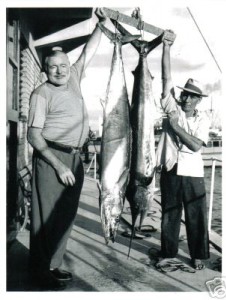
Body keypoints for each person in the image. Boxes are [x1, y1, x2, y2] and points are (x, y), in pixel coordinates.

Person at [27, 8, 106, 288]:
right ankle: (39, 272)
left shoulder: (72, 77)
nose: (59, 71)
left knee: (65, 217)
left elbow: (87, 53)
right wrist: (58, 165)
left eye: (63, 65)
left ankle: (53, 264)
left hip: (75, 158)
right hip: (53, 158)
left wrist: (101, 25)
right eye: (53, 67)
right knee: (46, 217)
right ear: (44, 70)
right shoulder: (41, 94)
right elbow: (33, 136)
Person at [155, 30, 210, 271]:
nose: (187, 99)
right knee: (170, 213)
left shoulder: (203, 119)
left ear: (199, 100)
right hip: (170, 167)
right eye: (185, 94)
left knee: (196, 214)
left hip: (193, 173)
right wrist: (166, 47)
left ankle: (198, 254)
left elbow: (196, 145)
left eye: (193, 96)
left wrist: (175, 127)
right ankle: (168, 252)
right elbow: (167, 78)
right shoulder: (172, 106)